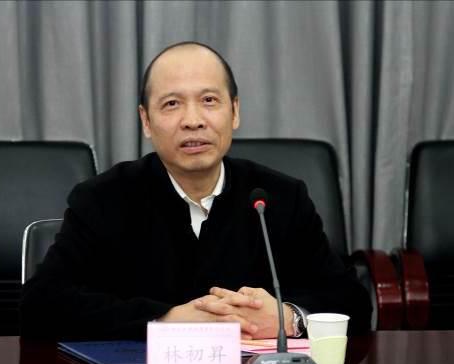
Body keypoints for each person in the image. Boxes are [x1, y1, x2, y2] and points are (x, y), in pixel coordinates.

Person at [20, 41, 371, 340]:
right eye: (172, 104)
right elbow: (41, 305)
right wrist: (166, 320)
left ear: (234, 111)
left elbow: (352, 301)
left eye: (209, 100)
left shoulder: (278, 198)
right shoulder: (104, 199)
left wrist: (289, 318)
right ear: (146, 121)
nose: (193, 120)